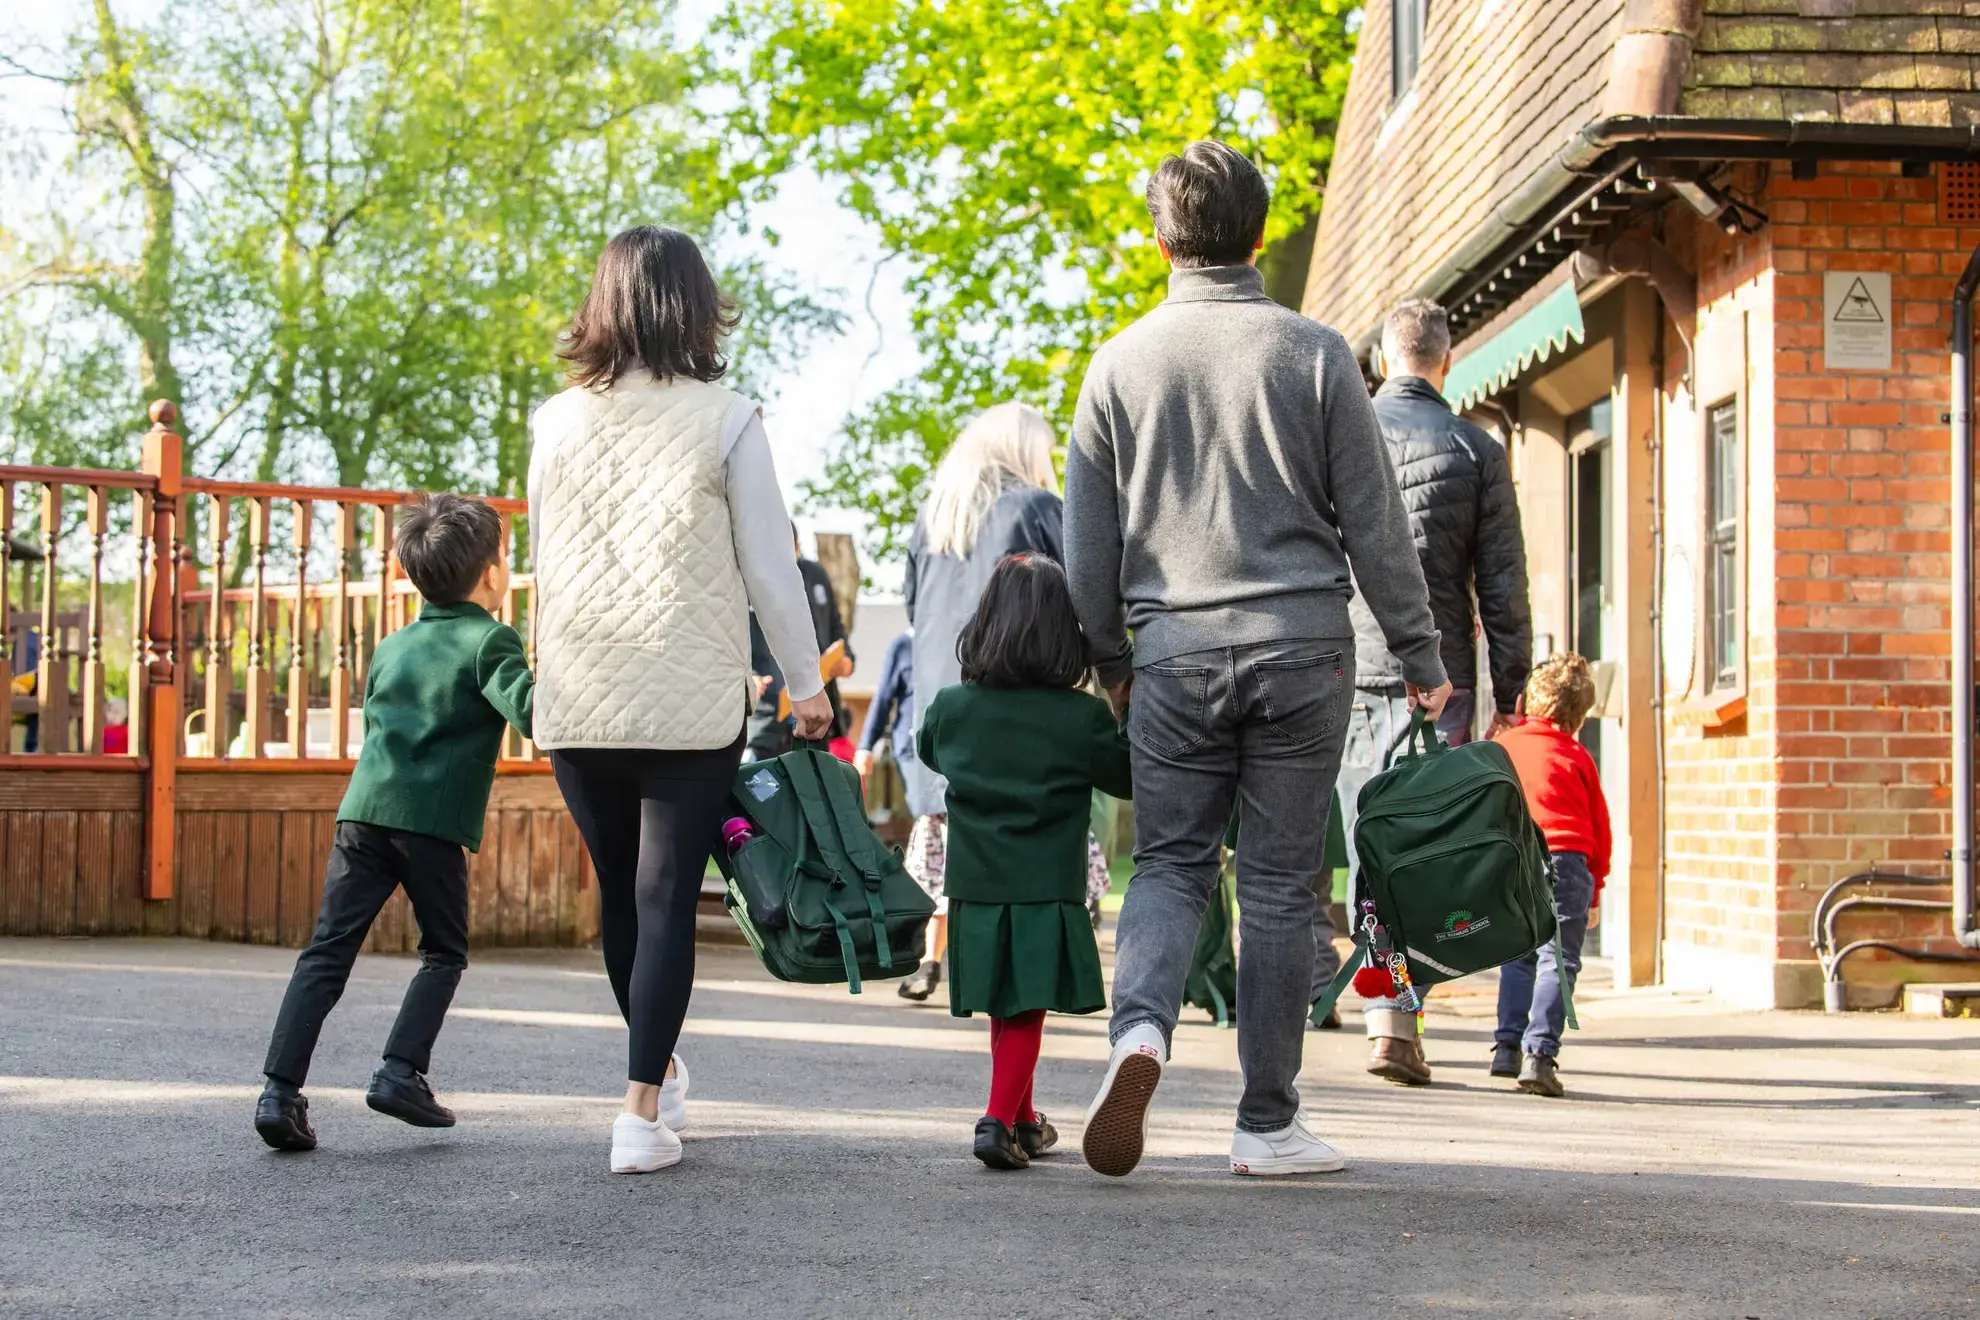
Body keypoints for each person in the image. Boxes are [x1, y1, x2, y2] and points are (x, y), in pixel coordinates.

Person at [1065, 141, 1448, 1180]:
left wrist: (1112, 663)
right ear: (1263, 234)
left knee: (1173, 865)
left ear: (1159, 241)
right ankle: (1267, 1122)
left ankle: (1140, 1033)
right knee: (1280, 884)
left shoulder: (1118, 366)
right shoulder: (1318, 353)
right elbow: (1375, 527)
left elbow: (1086, 549)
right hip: (1302, 653)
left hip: (1173, 655)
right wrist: (1419, 653)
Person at [528, 225, 831, 1175]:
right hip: (686, 693)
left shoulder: (554, 420)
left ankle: (649, 1075)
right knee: (664, 897)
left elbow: (546, 556)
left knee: (624, 892)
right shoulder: (729, 418)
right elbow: (772, 569)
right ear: (696, 307)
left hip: (578, 695)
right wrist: (808, 682)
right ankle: (638, 1111)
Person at [253, 493, 534, 1152]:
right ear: (492, 574)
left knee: (326, 952)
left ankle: (278, 1092)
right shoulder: (491, 639)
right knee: (444, 952)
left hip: (363, 814)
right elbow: (533, 716)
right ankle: (399, 1072)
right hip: (431, 826)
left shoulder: (393, 646)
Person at [1336, 295, 1533, 1088]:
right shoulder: (1476, 449)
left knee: (1367, 844)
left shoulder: (1342, 437)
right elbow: (1503, 585)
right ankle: (1402, 1015)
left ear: (1384, 360)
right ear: (1446, 363)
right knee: (1426, 847)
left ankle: (1385, 1017)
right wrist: (1512, 687)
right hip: (1441, 678)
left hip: (1348, 668)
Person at [915, 553, 1132, 1169]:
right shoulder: (1081, 719)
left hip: (975, 884)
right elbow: (1127, 780)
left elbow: (931, 753)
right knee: (1026, 1007)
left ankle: (1024, 1121)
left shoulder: (953, 708)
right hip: (1045, 884)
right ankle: (994, 1120)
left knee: (1002, 1004)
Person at [898, 402, 1064, 1003]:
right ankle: (1007, 982)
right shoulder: (1039, 508)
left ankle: (948, 965)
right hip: (1020, 715)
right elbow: (1080, 600)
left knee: (948, 854)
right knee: (1016, 862)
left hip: (944, 719)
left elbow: (913, 611)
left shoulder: (934, 518)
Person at [1490, 653, 1609, 1098]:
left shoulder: (1505, 747)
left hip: (1514, 857)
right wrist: (1596, 890)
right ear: (1579, 717)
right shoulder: (1577, 755)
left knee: (1516, 955)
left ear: (1526, 702)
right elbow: (1600, 828)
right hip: (1567, 860)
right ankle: (1539, 1056)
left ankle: (1505, 1047)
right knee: (1557, 959)